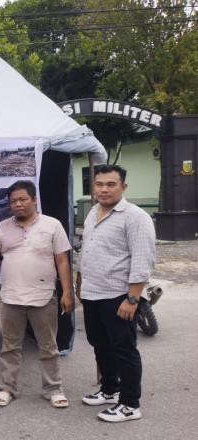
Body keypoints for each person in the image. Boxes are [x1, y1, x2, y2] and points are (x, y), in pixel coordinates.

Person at [0, 180, 74, 409]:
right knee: (10, 347)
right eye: (13, 201)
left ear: (34, 200)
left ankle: (53, 388)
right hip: (11, 297)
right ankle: (7, 388)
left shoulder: (52, 225)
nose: (18, 204)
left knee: (48, 346)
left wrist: (67, 292)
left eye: (23, 199)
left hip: (43, 296)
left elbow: (62, 260)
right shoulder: (2, 227)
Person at [77, 164, 155, 422]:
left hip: (118, 295)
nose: (104, 189)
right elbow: (87, 251)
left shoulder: (135, 217)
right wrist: (81, 283)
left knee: (124, 349)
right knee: (100, 344)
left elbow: (142, 260)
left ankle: (130, 405)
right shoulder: (93, 213)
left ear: (123, 186)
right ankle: (110, 388)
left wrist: (132, 299)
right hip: (93, 294)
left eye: (111, 184)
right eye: (99, 184)